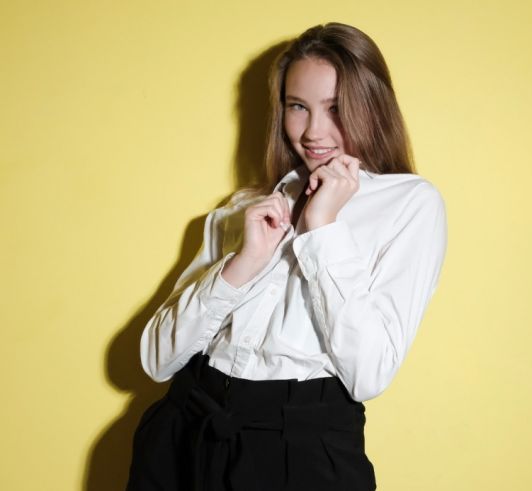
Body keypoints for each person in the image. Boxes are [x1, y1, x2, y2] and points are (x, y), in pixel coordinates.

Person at [126, 22, 447, 491]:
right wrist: (243, 265)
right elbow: (157, 360)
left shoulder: (410, 204)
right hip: (184, 433)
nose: (314, 131)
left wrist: (323, 229)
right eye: (298, 106)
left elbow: (369, 374)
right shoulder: (245, 208)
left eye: (336, 108)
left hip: (299, 451)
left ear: (372, 107)